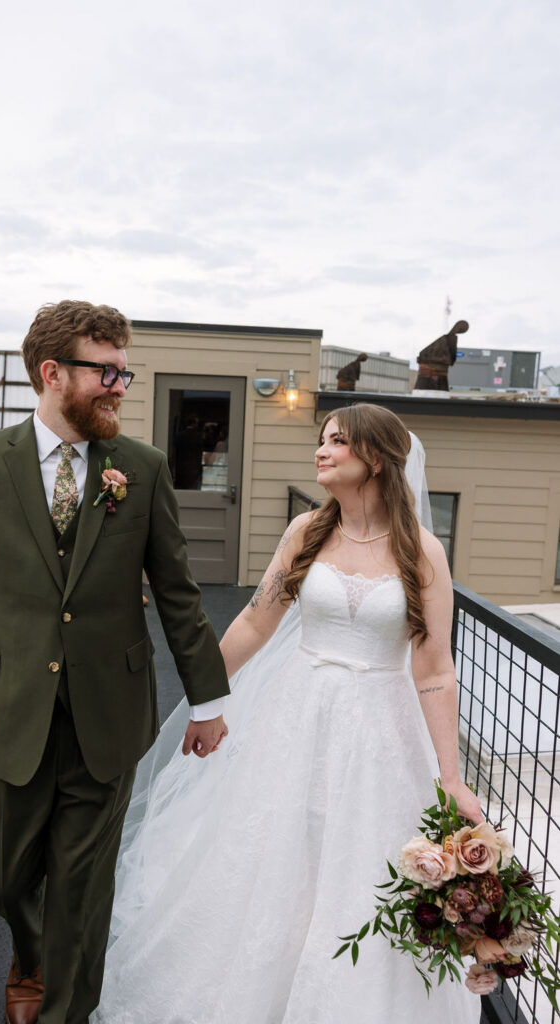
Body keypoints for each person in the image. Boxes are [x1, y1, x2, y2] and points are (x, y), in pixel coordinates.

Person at [95, 402, 484, 1024]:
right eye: (321, 439)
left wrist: (452, 777)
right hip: (293, 715)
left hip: (382, 731)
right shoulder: (305, 532)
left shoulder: (424, 553)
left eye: (338, 442)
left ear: (376, 459)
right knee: (273, 853)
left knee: (363, 867)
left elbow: (434, 668)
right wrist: (206, 696)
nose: (321, 451)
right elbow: (255, 620)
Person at [0, 300, 230, 1024]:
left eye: (125, 371)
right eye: (107, 371)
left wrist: (208, 703)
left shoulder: (142, 469)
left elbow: (180, 596)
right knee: (3, 876)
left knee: (83, 889)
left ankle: (63, 1007)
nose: (120, 386)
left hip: (109, 713)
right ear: (52, 372)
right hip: (5, 713)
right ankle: (30, 955)